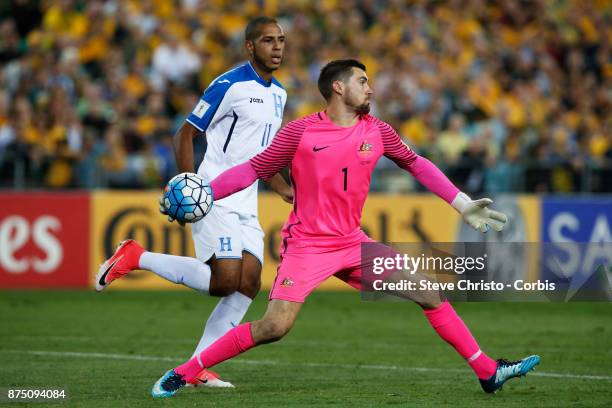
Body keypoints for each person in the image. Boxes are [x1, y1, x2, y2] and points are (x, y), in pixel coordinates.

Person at [150, 59, 540, 398]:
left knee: (429, 293)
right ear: (338, 87)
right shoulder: (300, 131)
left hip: (353, 243)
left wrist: (461, 203)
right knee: (274, 326)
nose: (370, 88)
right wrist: (206, 192)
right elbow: (255, 169)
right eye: (362, 81)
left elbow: (416, 163)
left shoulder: (377, 131)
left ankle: (488, 372)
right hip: (307, 246)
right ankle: (184, 372)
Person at [95, 17, 292, 387]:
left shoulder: (279, 93)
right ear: (250, 46)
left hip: (247, 201)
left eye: (281, 40)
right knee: (225, 281)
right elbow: (185, 133)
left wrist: (280, 185)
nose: (277, 47)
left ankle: (197, 366)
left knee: (249, 284)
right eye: (268, 40)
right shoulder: (228, 84)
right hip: (213, 194)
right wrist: (190, 185)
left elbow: (262, 153)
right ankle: (136, 257)